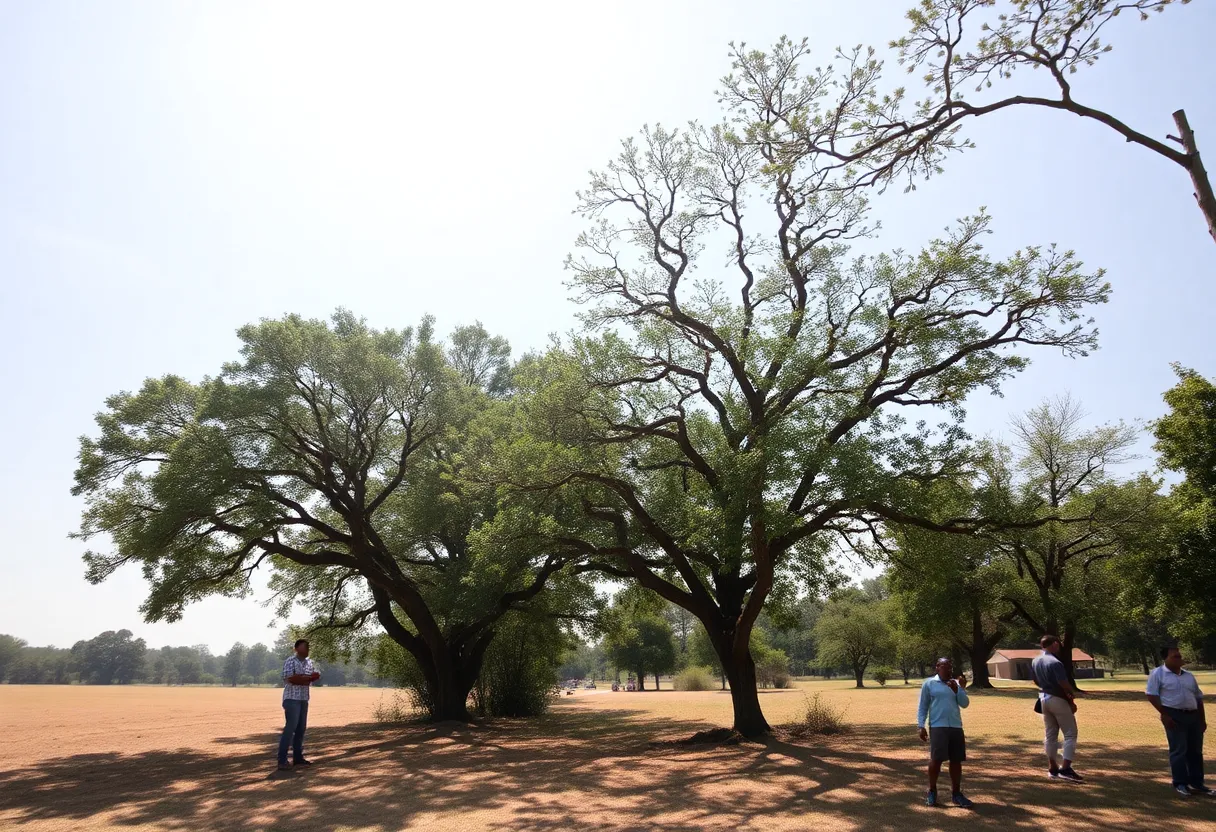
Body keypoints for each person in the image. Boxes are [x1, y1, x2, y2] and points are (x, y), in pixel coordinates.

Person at [1146, 646, 1211, 798]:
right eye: (1175, 656)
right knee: (1179, 750)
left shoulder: (1189, 676)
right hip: (1174, 715)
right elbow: (1152, 695)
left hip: (1193, 715)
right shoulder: (1158, 674)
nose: (1179, 658)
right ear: (1166, 659)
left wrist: (1202, 719)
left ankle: (1197, 783)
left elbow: (1198, 698)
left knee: (1195, 751)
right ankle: (1180, 783)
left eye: (1179, 655)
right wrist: (1165, 715)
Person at [917, 657, 974, 809]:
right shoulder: (929, 684)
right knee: (936, 760)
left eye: (950, 666)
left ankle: (956, 794)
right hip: (937, 726)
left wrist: (959, 690)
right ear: (937, 667)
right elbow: (923, 706)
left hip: (955, 726)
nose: (948, 669)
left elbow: (965, 704)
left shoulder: (955, 683)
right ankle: (932, 791)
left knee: (956, 761)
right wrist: (921, 725)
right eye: (944, 666)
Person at [1031, 634, 1083, 781]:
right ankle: (1066, 768)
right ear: (1054, 644)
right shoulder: (1055, 662)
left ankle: (1052, 767)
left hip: (1043, 698)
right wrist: (1071, 699)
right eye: (1057, 644)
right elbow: (1064, 684)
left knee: (1050, 734)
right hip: (1057, 698)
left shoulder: (1036, 660)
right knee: (1070, 733)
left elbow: (1035, 680)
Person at [278, 638, 320, 771]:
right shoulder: (290, 661)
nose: (307, 649)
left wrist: (304, 678)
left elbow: (307, 681)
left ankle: (298, 758)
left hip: (303, 699)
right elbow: (290, 679)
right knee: (290, 729)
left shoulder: (309, 662)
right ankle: (282, 760)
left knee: (301, 729)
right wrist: (306, 678)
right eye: (304, 646)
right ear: (296, 648)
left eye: (308, 646)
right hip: (291, 699)